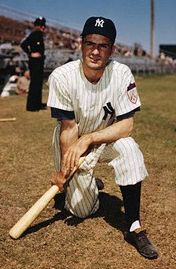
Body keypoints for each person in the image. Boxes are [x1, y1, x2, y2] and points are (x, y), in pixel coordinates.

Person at [47, 16, 158, 259]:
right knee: (81, 211)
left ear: (112, 49)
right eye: (90, 44)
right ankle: (86, 185)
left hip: (102, 139)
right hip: (72, 139)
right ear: (81, 44)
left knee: (129, 148)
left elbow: (127, 125)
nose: (95, 52)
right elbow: (68, 129)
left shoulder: (121, 73)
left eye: (103, 45)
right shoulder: (61, 76)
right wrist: (66, 170)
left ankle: (133, 226)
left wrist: (90, 139)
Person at [20, 17, 47, 111]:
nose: (43, 27)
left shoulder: (40, 35)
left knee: (39, 82)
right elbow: (23, 44)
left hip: (39, 61)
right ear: (37, 26)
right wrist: (30, 53)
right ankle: (32, 106)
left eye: (44, 25)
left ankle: (38, 104)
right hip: (35, 61)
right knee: (35, 82)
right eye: (41, 25)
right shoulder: (34, 34)